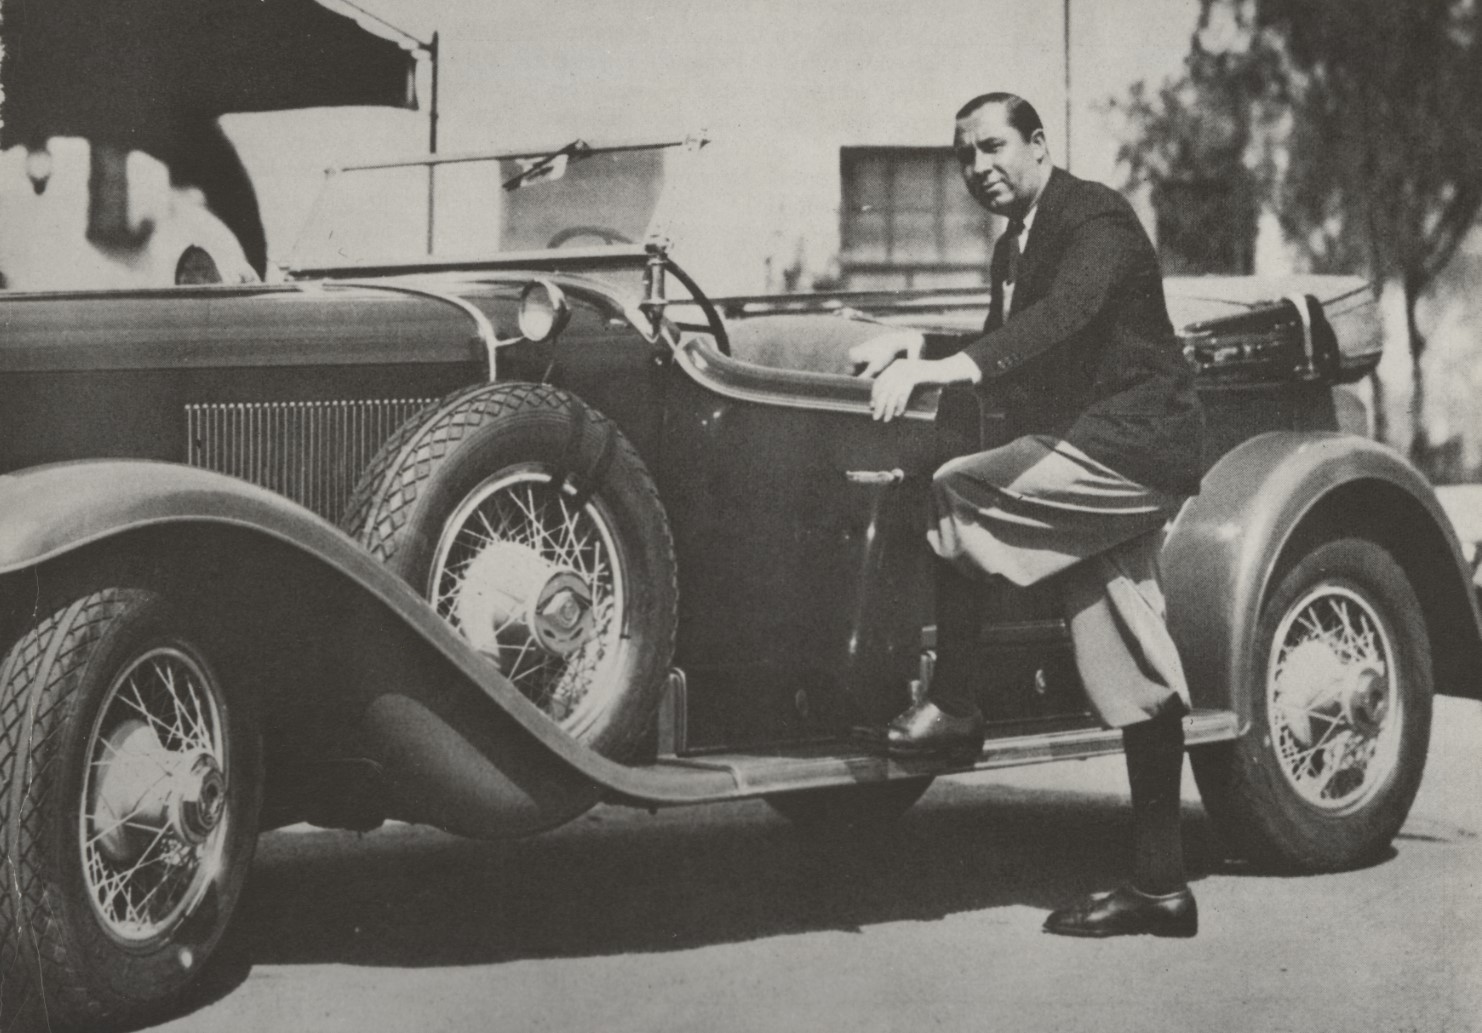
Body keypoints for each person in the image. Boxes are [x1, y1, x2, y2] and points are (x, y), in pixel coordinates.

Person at [849, 92, 1206, 938]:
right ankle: (1161, 888)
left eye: (994, 147)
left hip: (1130, 447)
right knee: (1135, 657)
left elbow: (1061, 320)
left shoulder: (1094, 221)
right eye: (966, 156)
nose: (979, 168)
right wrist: (917, 345)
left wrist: (942, 372)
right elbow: (1005, 337)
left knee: (955, 486)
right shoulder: (1019, 239)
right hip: (1100, 449)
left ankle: (958, 702)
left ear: (1039, 144)